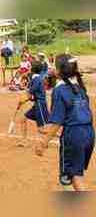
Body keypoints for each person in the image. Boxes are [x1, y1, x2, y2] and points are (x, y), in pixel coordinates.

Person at [36, 54, 94, 191]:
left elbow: (57, 122)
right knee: (73, 174)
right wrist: (47, 127)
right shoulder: (80, 88)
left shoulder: (59, 90)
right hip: (89, 133)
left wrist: (44, 143)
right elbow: (79, 113)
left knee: (72, 177)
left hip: (74, 135)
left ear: (58, 71)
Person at [16, 60, 49, 147]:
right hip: (36, 105)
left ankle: (63, 137)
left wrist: (22, 101)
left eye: (30, 67)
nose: (29, 68)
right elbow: (30, 95)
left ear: (33, 69)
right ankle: (24, 141)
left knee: (42, 129)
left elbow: (29, 95)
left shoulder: (37, 79)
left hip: (40, 105)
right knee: (23, 119)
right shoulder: (34, 79)